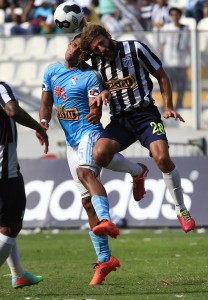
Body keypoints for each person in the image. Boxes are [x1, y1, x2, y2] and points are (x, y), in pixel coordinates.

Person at [39, 34, 148, 285]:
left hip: (90, 133)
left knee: (85, 173)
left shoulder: (90, 76)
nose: (73, 50)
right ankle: (105, 259)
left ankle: (107, 219)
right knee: (87, 203)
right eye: (73, 45)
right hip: (71, 142)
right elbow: (46, 103)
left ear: (85, 55)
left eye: (79, 49)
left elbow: (95, 104)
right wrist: (43, 122)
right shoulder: (51, 70)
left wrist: (96, 108)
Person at [80, 23, 196, 233]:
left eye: (102, 44)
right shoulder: (96, 61)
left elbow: (162, 76)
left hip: (145, 115)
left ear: (107, 35)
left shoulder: (135, 48)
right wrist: (102, 92)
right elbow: (90, 76)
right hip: (121, 120)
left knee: (162, 158)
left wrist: (168, 107)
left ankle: (181, 209)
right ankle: (137, 171)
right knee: (99, 154)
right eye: (96, 48)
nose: (101, 50)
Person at [0, 81, 48, 288]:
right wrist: (38, 127)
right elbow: (12, 110)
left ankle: (18, 273)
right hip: (4, 172)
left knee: (3, 225)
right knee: (11, 226)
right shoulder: (1, 87)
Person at [159, 7, 190, 110]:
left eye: (176, 14)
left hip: (181, 62)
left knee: (181, 85)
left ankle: (179, 104)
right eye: (172, 15)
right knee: (168, 85)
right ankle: (167, 105)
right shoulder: (166, 28)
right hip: (169, 62)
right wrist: (159, 59)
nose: (175, 17)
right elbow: (162, 44)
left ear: (180, 16)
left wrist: (189, 60)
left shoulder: (185, 28)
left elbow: (188, 45)